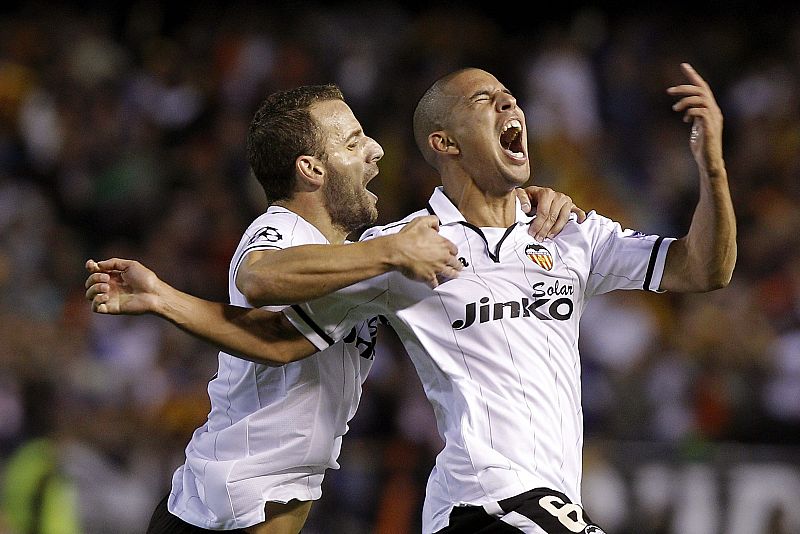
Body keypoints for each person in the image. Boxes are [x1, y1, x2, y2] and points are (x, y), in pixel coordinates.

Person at [87, 62, 734, 533]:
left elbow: (279, 342)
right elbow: (260, 284)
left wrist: (708, 171)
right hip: (230, 508)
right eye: (352, 142)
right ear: (312, 168)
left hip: (247, 509)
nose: (375, 151)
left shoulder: (371, 256)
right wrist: (391, 251)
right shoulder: (293, 232)